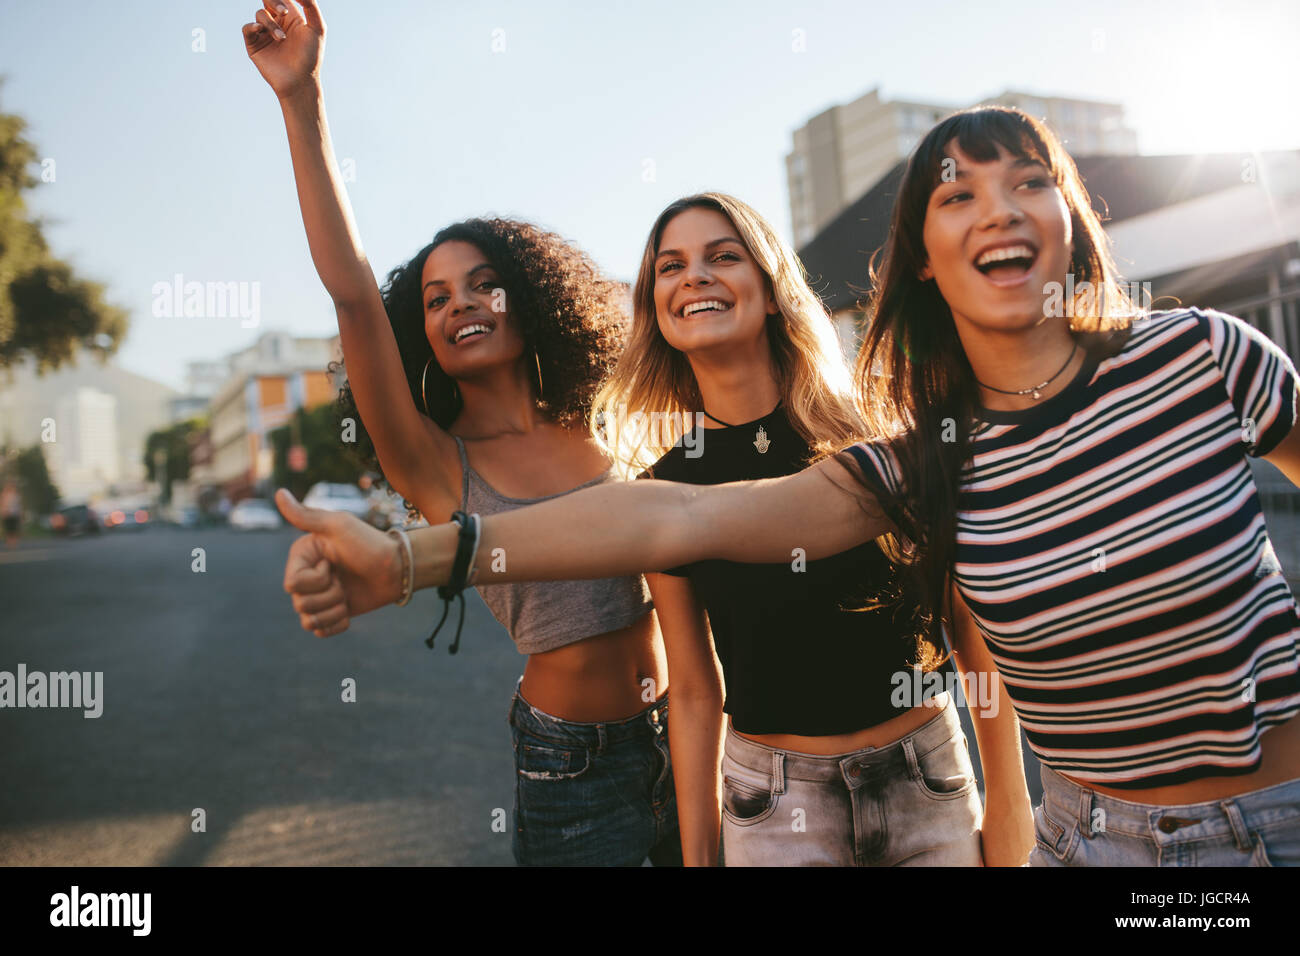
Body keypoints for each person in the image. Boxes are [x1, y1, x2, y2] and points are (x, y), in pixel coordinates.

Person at [276, 106, 1300, 866]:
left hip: (1171, 805)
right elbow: (676, 524)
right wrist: (417, 555)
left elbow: (967, 648)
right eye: (958, 193)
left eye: (1028, 180)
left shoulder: (1184, 359)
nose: (999, 207)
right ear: (928, 264)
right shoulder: (896, 462)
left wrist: (1002, 817)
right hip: (1015, 828)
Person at [243, 0, 678, 866]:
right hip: (572, 769)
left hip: (688, 735)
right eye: (438, 298)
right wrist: (303, 100)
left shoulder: (610, 422)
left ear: (532, 298)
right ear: (424, 336)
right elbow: (355, 294)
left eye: (484, 284)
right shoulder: (437, 465)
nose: (462, 305)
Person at [589, 191, 1030, 865]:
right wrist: (700, 857)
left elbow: (970, 633)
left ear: (770, 293)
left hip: (926, 782)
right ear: (656, 307)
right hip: (770, 807)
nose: (695, 276)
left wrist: (1008, 805)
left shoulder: (874, 436)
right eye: (670, 267)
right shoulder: (662, 491)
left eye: (723, 256)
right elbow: (696, 688)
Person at [1, 479, 21, 549]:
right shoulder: (4, 495)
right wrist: (3, 512)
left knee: (14, 528)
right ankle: (9, 542)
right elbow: (2, 504)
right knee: (8, 528)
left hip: (14, 514)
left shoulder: (16, 495)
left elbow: (18, 505)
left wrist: (19, 513)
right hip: (7, 514)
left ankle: (13, 542)